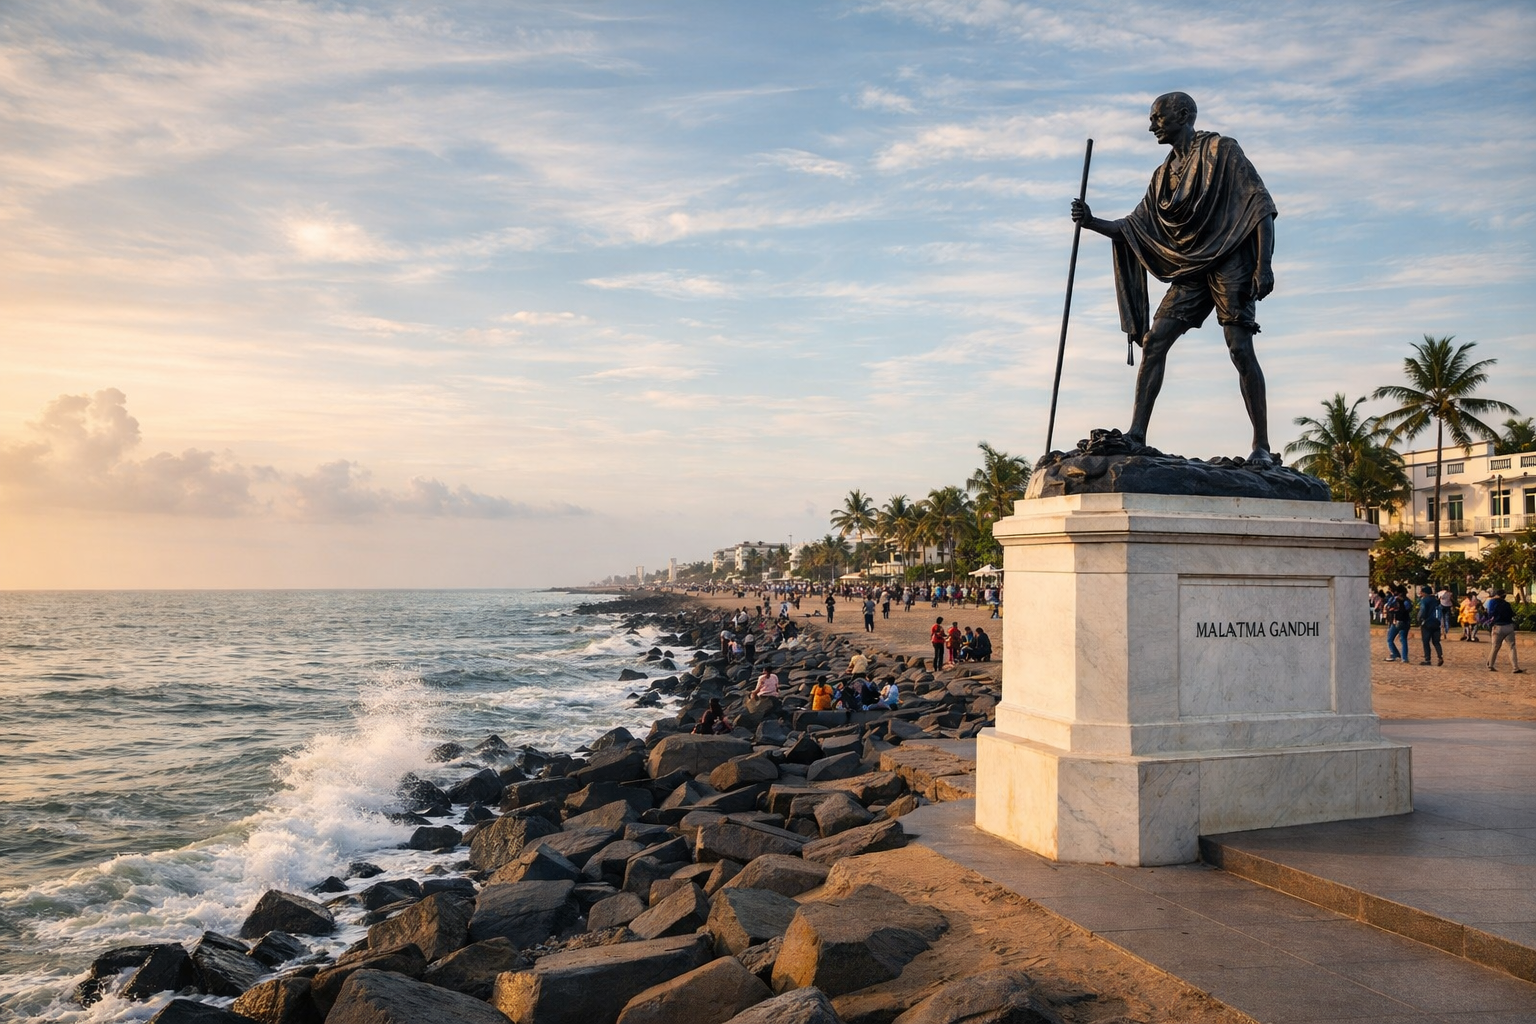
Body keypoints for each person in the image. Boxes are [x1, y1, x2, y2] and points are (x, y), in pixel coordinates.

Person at [1071, 92, 1278, 463]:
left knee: (1239, 347)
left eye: (1158, 117)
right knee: (1155, 341)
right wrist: (1091, 221)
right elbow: (1132, 227)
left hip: (1230, 259)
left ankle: (1261, 445)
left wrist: (1264, 265)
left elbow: (1259, 204)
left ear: (1183, 115)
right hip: (1192, 267)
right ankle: (1137, 433)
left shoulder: (1222, 151)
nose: (1152, 125)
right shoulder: (1162, 177)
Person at [1486, 590, 1524, 673]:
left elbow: (1490, 614)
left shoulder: (1492, 602)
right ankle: (1515, 667)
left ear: (1497, 595)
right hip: (1509, 627)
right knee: (1511, 647)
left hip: (1497, 627)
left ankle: (1490, 665)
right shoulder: (1507, 604)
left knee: (1495, 647)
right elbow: (1512, 614)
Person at [1417, 585, 1444, 666]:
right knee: (1436, 642)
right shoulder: (1436, 600)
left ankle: (1427, 659)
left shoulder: (1424, 600)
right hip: (1436, 623)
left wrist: (1419, 619)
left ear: (1425, 593)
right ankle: (1440, 656)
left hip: (1427, 623)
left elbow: (1422, 610)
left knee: (1426, 642)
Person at [1384, 586, 1410, 662]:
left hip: (1397, 621)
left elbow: (1389, 607)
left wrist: (1392, 611)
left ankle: (1395, 653)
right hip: (1406, 620)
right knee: (1403, 640)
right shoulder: (1407, 600)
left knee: (1390, 639)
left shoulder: (1395, 600)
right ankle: (1404, 658)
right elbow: (1408, 609)